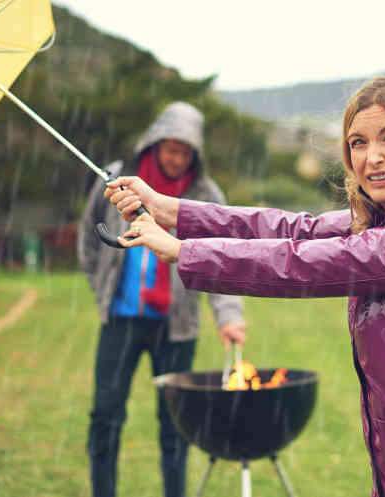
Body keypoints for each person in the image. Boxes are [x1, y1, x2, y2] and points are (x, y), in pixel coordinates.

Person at [104, 73, 385, 497]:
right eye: (358, 142)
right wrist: (173, 211)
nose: (372, 157)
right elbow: (291, 228)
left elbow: (301, 264)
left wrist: (184, 251)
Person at [77, 101, 247, 497]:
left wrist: (229, 316)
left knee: (175, 425)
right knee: (106, 415)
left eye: (185, 152)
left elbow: (225, 260)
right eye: (171, 148)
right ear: (153, 144)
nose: (176, 158)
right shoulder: (118, 179)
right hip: (120, 320)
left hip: (177, 327)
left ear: (195, 155)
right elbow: (88, 236)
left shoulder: (205, 195)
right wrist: (100, 284)